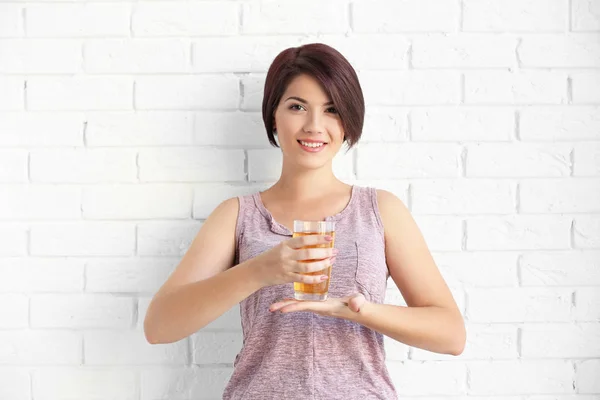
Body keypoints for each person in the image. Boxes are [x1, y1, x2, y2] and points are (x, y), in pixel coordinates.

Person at [144, 43, 466, 399]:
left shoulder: (380, 211)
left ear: (348, 122)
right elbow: (159, 326)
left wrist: (362, 312)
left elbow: (451, 334)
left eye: (331, 110)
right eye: (297, 107)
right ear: (273, 117)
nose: (314, 126)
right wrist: (258, 270)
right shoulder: (237, 216)